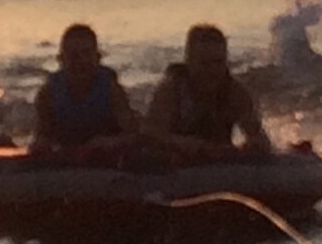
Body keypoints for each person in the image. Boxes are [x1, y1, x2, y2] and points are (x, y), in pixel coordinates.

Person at [145, 23, 272, 154]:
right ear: (189, 61)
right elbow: (152, 137)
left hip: (218, 167)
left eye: (218, 62)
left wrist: (253, 146)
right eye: (204, 63)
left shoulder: (234, 92)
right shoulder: (171, 91)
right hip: (177, 165)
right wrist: (194, 146)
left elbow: (259, 138)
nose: (213, 70)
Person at [32, 23, 135, 151]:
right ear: (61, 60)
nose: (80, 61)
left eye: (86, 54)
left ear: (97, 58)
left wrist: (110, 142)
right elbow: (41, 136)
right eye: (73, 55)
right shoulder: (48, 94)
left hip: (105, 155)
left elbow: (133, 135)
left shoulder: (111, 90)